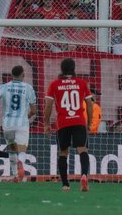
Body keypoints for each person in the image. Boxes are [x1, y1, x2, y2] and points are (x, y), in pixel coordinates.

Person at [43, 58, 93, 192]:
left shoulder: (54, 84)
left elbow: (48, 106)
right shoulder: (82, 83)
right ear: (74, 68)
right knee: (82, 149)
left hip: (63, 122)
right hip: (79, 121)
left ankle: (65, 184)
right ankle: (84, 175)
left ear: (62, 69)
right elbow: (89, 104)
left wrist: (46, 124)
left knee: (63, 153)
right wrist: (89, 122)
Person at [0, 65, 37, 181]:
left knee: (12, 149)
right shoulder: (28, 88)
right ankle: (20, 162)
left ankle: (15, 175)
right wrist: (27, 116)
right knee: (22, 150)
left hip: (7, 124)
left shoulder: (3, 87)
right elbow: (34, 110)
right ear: (23, 75)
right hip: (22, 123)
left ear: (11, 75)